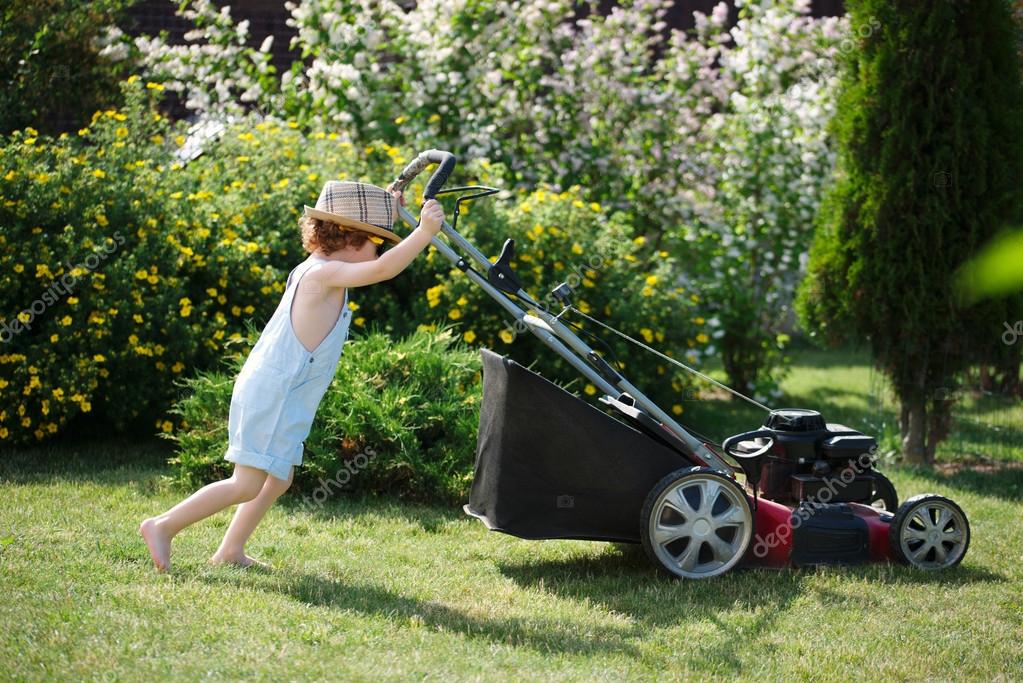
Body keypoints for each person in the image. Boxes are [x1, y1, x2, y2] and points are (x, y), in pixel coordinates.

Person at [139, 179, 444, 572]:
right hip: (274, 391)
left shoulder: (325, 268)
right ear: (350, 238)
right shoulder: (322, 275)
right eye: (375, 240)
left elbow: (375, 259)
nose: (377, 250)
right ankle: (162, 525)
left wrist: (387, 208)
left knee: (277, 478)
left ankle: (230, 550)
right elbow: (384, 269)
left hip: (289, 392)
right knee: (246, 483)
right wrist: (423, 232)